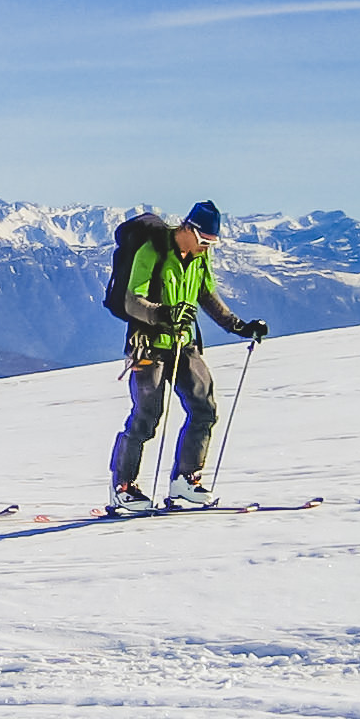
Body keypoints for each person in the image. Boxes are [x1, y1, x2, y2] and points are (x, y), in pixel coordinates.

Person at [102, 200, 268, 513]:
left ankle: (185, 479)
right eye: (204, 241)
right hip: (148, 345)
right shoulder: (152, 251)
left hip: (185, 344)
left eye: (212, 243)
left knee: (204, 408)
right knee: (146, 417)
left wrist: (241, 327)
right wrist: (163, 313)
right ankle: (123, 486)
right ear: (188, 229)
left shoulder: (199, 259)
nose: (207, 248)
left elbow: (207, 297)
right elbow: (131, 300)